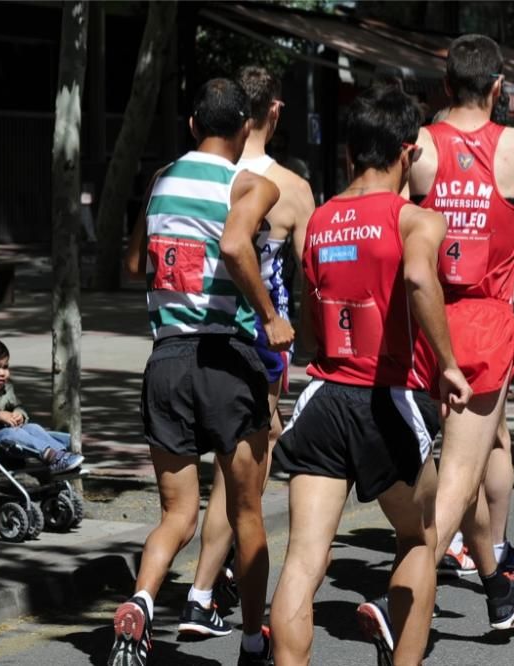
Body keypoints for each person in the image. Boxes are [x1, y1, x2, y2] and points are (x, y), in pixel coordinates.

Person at [270, 83, 471, 666]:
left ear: (351, 152)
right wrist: (451, 364)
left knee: (305, 557)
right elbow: (416, 280)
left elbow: (310, 327)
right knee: (419, 536)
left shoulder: (322, 221)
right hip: (386, 400)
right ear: (408, 153)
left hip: (324, 396)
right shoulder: (417, 221)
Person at [407, 34, 514, 629]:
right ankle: (401, 595)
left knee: (469, 462)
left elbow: (388, 217)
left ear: (447, 85)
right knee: (462, 473)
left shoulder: (421, 147)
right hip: (481, 326)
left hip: (420, 321)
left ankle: (496, 583)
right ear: (500, 89)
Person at [114, 78, 291, 666]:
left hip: (165, 361)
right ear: (246, 130)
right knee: (245, 511)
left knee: (177, 515)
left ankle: (141, 603)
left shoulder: (162, 180)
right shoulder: (251, 183)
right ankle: (250, 640)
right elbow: (239, 248)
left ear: (191, 126)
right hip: (224, 360)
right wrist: (270, 317)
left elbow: (134, 262)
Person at [179, 65, 315, 638]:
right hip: (262, 335)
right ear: (275, 112)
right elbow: (311, 274)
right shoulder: (289, 186)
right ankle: (205, 594)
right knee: (243, 485)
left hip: (194, 332)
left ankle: (208, 588)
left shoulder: (207, 170)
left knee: (227, 474)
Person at [0, 334, 84, 472]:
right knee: (11, 434)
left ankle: (61, 454)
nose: (2, 373)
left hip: (3, 435)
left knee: (33, 428)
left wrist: (19, 414)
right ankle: (52, 457)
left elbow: (17, 406)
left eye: (5, 367)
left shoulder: (5, 389)